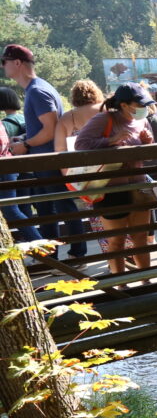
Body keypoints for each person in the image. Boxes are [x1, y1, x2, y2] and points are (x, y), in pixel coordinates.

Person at [4, 44, 88, 259]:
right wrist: (24, 138)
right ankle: (52, 258)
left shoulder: (37, 90)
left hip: (49, 161)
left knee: (61, 206)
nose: (3, 67)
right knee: (46, 209)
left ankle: (77, 255)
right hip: (47, 160)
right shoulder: (37, 88)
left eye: (4, 62)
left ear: (17, 63)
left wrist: (26, 145)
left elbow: (50, 129)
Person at [73, 83, 157, 277]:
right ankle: (120, 283)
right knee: (116, 241)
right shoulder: (104, 119)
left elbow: (149, 153)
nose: (144, 108)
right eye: (140, 104)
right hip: (112, 189)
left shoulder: (143, 121)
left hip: (139, 186)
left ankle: (147, 280)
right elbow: (80, 144)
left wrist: (147, 142)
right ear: (124, 105)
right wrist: (111, 140)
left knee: (141, 238)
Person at [0, 83, 41, 242]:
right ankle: (37, 245)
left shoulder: (6, 123)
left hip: (11, 170)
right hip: (32, 168)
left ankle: (35, 244)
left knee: (16, 209)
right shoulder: (25, 119)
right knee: (26, 207)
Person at [54, 80, 104, 158]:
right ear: (97, 94)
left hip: (80, 166)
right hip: (108, 162)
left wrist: (67, 170)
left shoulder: (66, 118)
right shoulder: (105, 109)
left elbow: (59, 149)